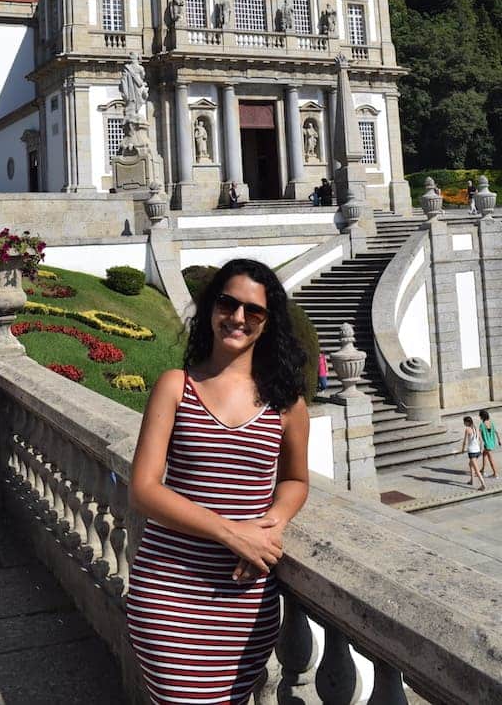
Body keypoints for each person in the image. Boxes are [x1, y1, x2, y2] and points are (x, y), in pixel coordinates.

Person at [127, 259, 309, 704]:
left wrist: (271, 524)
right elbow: (144, 489)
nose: (239, 318)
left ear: (268, 324)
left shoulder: (285, 404)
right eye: (228, 303)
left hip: (244, 603)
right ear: (211, 308)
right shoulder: (176, 386)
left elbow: (295, 480)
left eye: (254, 311)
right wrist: (233, 534)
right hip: (170, 590)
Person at [461, 416, 486, 490]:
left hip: (472, 452)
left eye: (464, 422)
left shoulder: (467, 429)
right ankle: (472, 480)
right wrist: (481, 449)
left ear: (467, 422)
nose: (464, 423)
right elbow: (481, 440)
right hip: (478, 451)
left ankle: (483, 484)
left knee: (476, 470)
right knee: (470, 464)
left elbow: (464, 442)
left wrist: (462, 450)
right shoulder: (476, 428)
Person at [478, 409, 499, 479]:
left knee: (490, 459)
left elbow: (479, 436)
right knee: (484, 454)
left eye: (480, 416)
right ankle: (483, 470)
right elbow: (496, 432)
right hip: (492, 442)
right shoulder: (491, 423)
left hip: (487, 444)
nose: (479, 417)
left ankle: (495, 473)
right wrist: (499, 440)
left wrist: (480, 445)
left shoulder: (482, 425)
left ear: (482, 417)